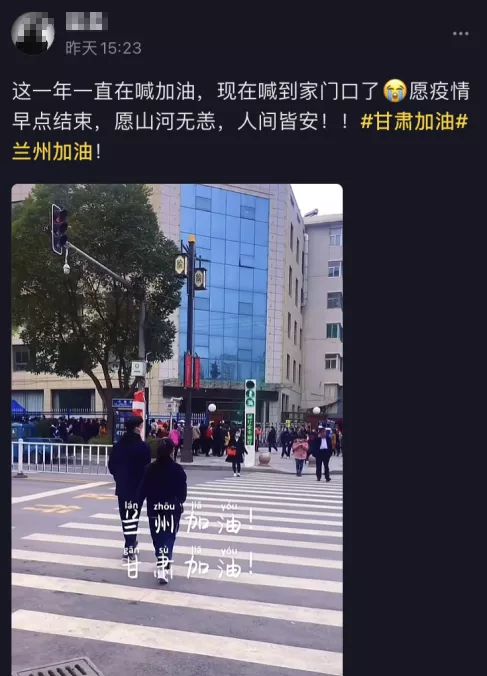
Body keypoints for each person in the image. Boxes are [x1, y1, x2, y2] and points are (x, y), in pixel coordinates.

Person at [137, 438, 187, 585]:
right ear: (172, 451)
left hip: (154, 507)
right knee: (169, 535)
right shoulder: (178, 470)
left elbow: (142, 489)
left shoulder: (149, 469)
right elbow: (182, 493)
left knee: (157, 535)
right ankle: (164, 561)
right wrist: (179, 502)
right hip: (171, 507)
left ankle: (162, 560)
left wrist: (137, 503)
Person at [108, 415, 151, 564]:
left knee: (125, 517)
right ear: (138, 428)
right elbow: (147, 468)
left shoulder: (118, 446)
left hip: (123, 487)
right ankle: (129, 547)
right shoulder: (143, 447)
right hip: (138, 488)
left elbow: (111, 466)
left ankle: (130, 543)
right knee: (133, 517)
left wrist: (119, 478)